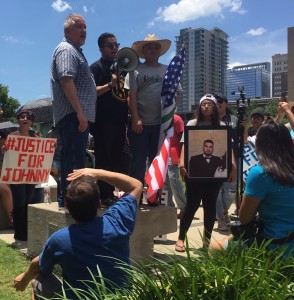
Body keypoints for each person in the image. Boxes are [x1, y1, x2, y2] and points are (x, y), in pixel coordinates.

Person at [13, 168, 142, 299]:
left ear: (66, 206)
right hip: (122, 297)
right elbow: (136, 185)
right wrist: (98, 173)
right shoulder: (117, 221)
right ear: (99, 203)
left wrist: (24, 278)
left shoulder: (60, 240)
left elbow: (36, 264)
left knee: (39, 279)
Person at [210, 121, 294, 257]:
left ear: (260, 146)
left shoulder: (261, 173)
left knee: (214, 247)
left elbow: (244, 218)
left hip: (276, 245)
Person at [175, 94, 236, 252]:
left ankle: (206, 242)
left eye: (210, 104)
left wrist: (233, 166)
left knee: (210, 206)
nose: (206, 106)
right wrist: (182, 164)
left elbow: (228, 148)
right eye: (204, 104)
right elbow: (184, 145)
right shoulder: (191, 123)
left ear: (214, 107)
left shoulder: (222, 125)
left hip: (214, 176)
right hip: (194, 172)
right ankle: (181, 238)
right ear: (200, 107)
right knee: (191, 205)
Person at [51, 14, 96, 210]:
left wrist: (105, 86)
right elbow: (66, 80)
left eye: (85, 27)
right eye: (79, 26)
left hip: (77, 116)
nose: (84, 30)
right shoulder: (67, 49)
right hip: (73, 116)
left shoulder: (76, 51)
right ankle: (69, 202)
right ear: (67, 31)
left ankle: (71, 201)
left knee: (76, 158)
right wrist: (79, 112)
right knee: (73, 160)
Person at [124, 34, 171, 188]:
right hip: (141, 125)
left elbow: (176, 95)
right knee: (138, 161)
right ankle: (134, 196)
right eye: (149, 46)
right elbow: (131, 95)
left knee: (157, 161)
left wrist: (168, 117)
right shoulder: (135, 69)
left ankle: (154, 196)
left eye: (156, 46)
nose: (153, 49)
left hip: (160, 125)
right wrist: (136, 118)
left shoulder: (168, 70)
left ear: (160, 50)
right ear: (143, 50)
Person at [90, 33, 129, 207]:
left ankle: (113, 193)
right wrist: (109, 85)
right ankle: (103, 195)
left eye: (116, 44)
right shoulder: (96, 68)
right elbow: (91, 93)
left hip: (120, 121)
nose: (115, 48)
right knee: (104, 160)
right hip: (103, 122)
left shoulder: (122, 68)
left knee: (118, 159)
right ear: (101, 48)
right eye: (110, 46)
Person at [3, 110, 37, 241]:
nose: (25, 119)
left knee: (28, 202)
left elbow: (42, 153)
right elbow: (7, 151)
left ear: (31, 122)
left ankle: (26, 230)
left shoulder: (35, 137)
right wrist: (5, 148)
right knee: (20, 202)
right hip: (17, 175)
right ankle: (19, 231)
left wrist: (51, 147)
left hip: (31, 175)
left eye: (28, 117)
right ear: (18, 120)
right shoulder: (12, 135)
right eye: (22, 117)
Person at [215, 94, 238, 231]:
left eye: (221, 102)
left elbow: (243, 139)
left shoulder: (234, 119)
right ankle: (221, 218)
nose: (218, 104)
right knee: (217, 189)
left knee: (231, 189)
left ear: (226, 104)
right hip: (217, 158)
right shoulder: (211, 119)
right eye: (216, 102)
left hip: (233, 156)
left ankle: (223, 211)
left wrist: (244, 128)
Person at [164, 113, 186, 218]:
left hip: (173, 152)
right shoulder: (160, 117)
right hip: (162, 152)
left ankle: (184, 207)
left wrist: (182, 156)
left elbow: (184, 138)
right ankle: (169, 207)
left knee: (174, 180)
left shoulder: (176, 119)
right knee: (165, 183)